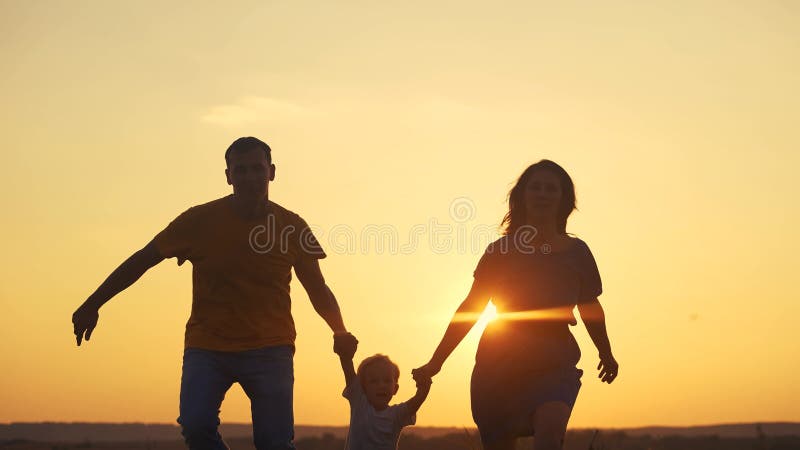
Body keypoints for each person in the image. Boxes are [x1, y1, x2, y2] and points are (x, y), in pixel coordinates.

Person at [71, 137, 357, 450]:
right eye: (241, 169)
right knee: (195, 426)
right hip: (207, 347)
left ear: (272, 172)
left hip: (271, 349)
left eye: (257, 169)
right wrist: (93, 303)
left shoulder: (292, 226)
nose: (249, 177)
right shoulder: (198, 220)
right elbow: (143, 259)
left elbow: (317, 288)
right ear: (228, 175)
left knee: (274, 443)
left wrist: (340, 331)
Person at [413, 160, 619, 450]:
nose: (543, 194)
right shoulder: (499, 252)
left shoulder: (578, 252)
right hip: (499, 362)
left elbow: (590, 307)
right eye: (536, 187)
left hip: (555, 360)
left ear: (563, 200)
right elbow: (470, 308)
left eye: (551, 189)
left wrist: (606, 352)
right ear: (522, 196)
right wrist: (436, 362)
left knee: (550, 433)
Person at [335, 337, 431, 450]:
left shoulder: (397, 414)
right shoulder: (359, 403)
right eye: (374, 381)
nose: (381, 385)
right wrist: (345, 353)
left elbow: (418, 399)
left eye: (387, 381)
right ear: (363, 388)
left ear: (395, 389)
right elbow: (348, 369)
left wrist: (424, 380)